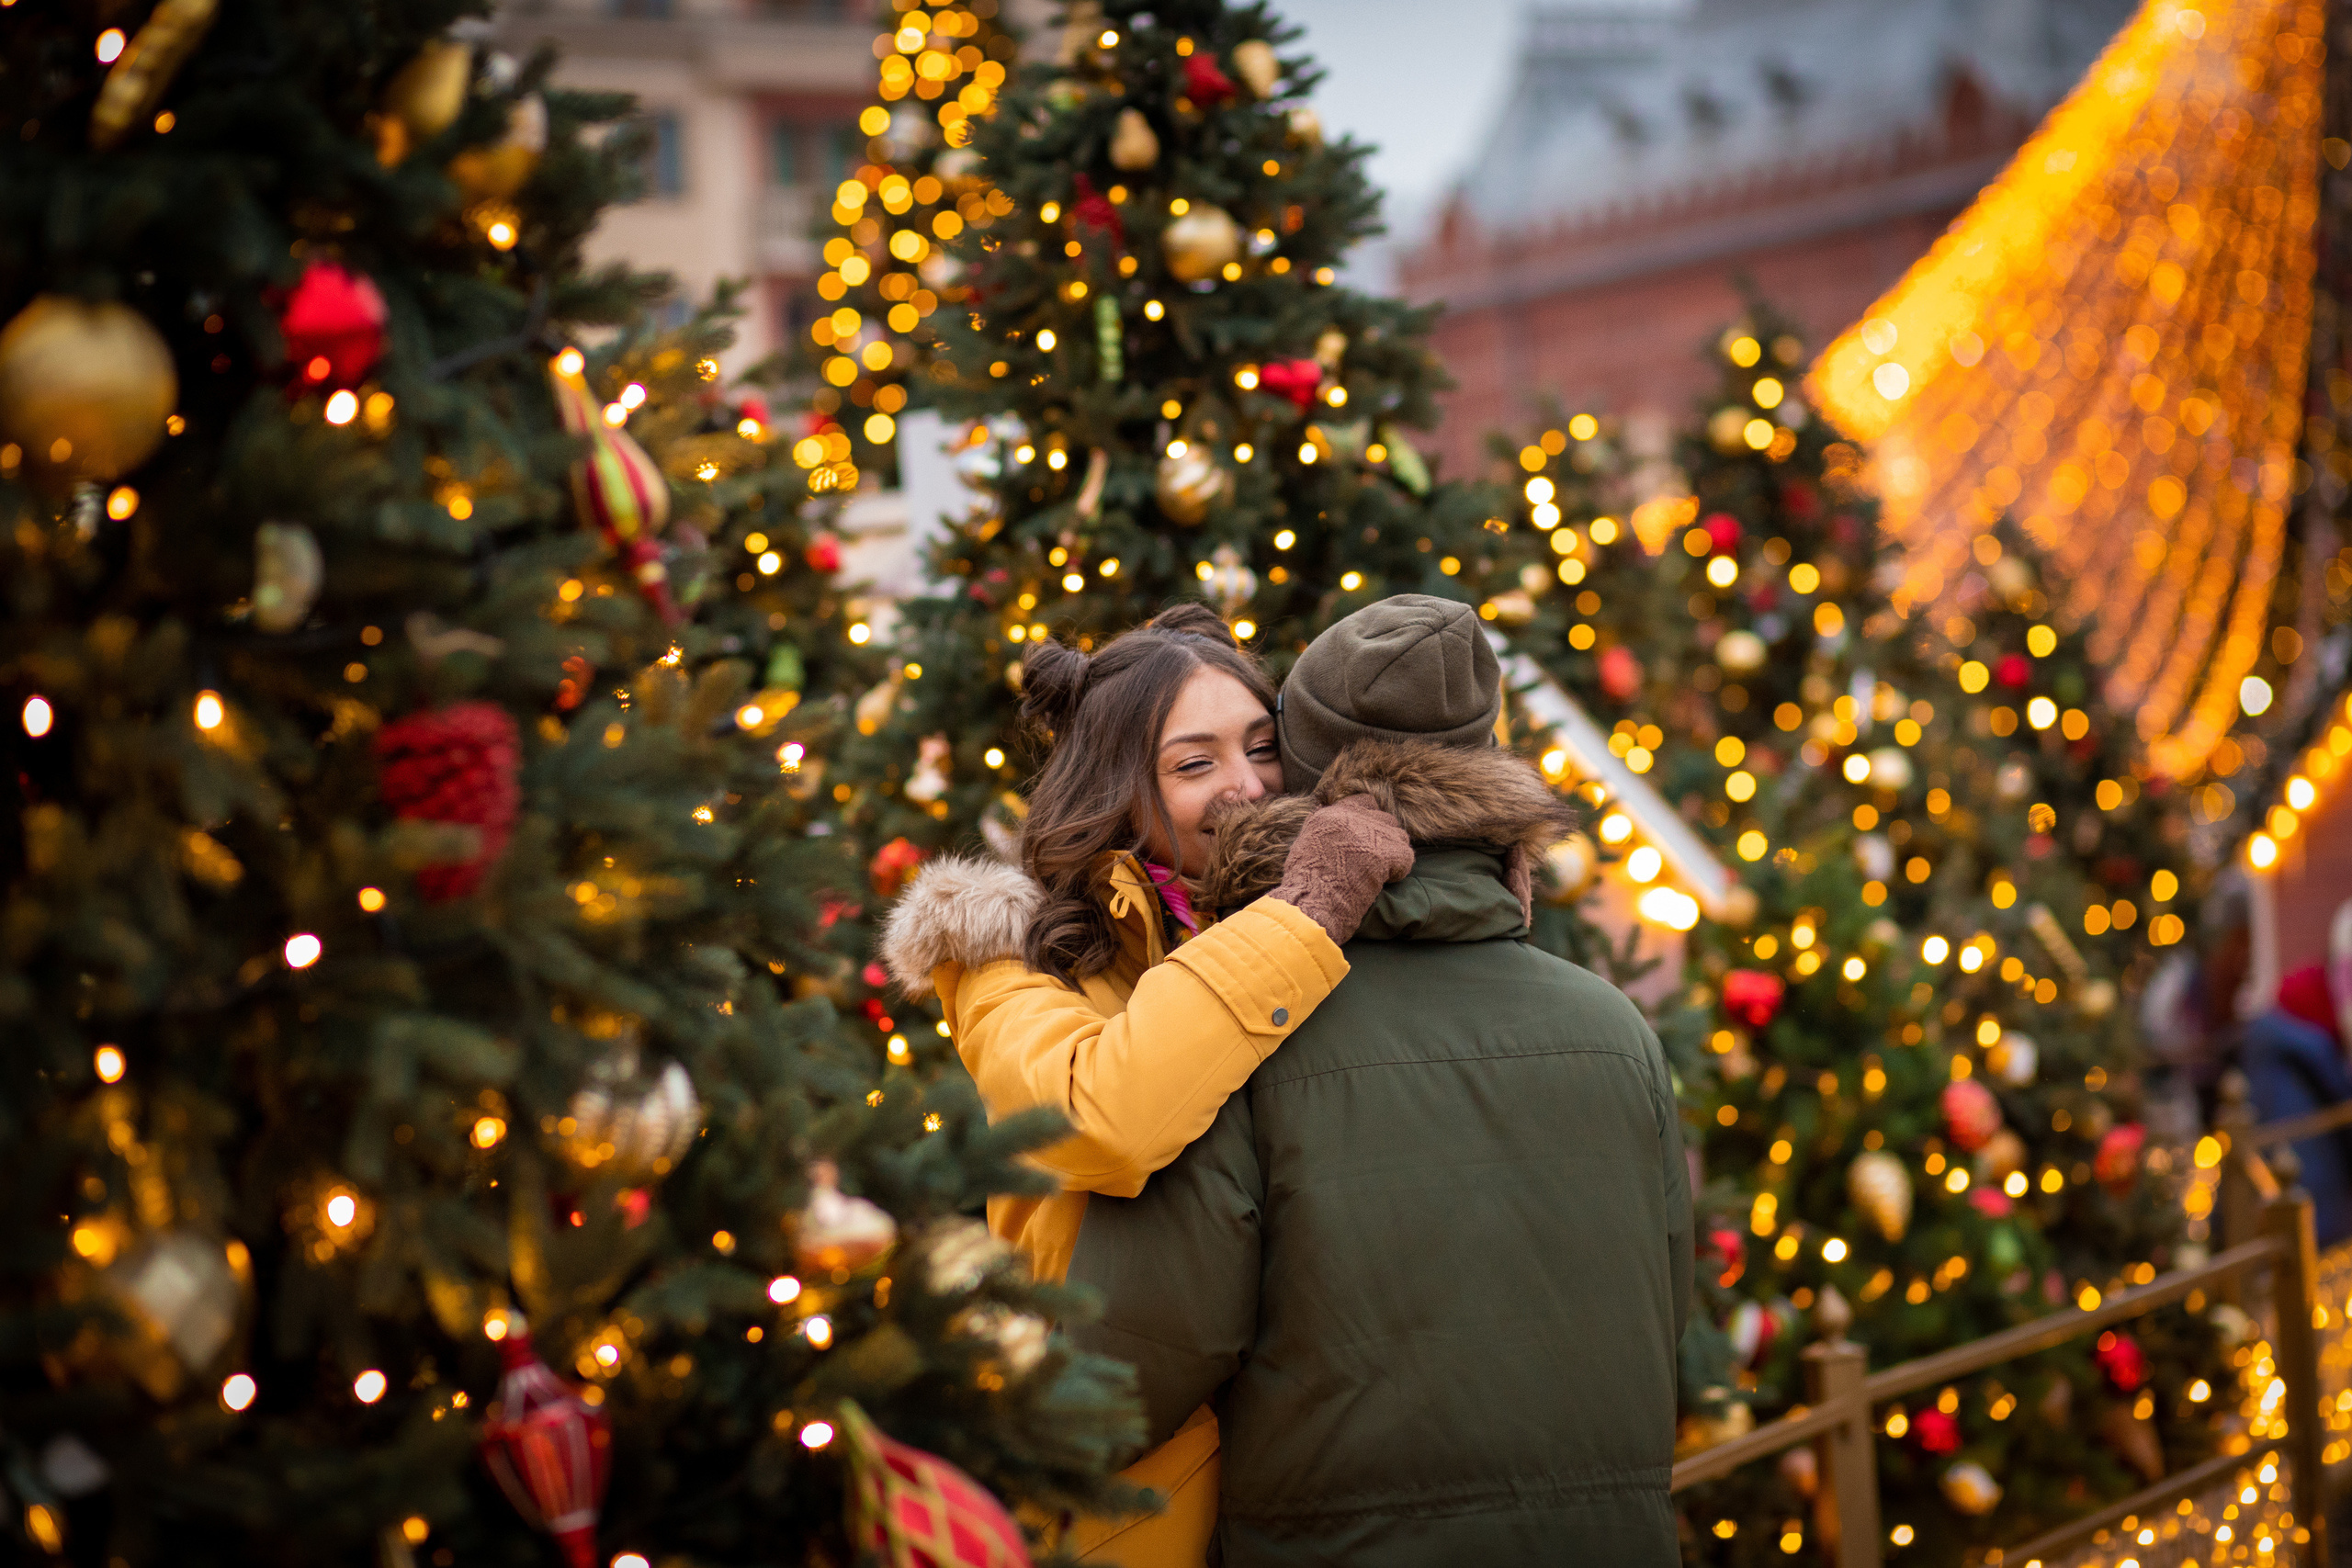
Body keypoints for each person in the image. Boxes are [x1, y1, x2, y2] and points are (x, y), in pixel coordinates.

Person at [1068, 595, 1691, 1566]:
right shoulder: (1614, 1030)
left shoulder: (1245, 1024)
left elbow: (1119, 1377)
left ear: (1302, 781)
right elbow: (1665, 1314)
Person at [879, 603, 1415, 1563]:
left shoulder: (1325, 932)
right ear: (1119, 791)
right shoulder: (1006, 963)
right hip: (1141, 1493)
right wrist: (1302, 918)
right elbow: (1099, 1119)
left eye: (1262, 747)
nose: (1247, 788)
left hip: (1330, 1467)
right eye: (1194, 763)